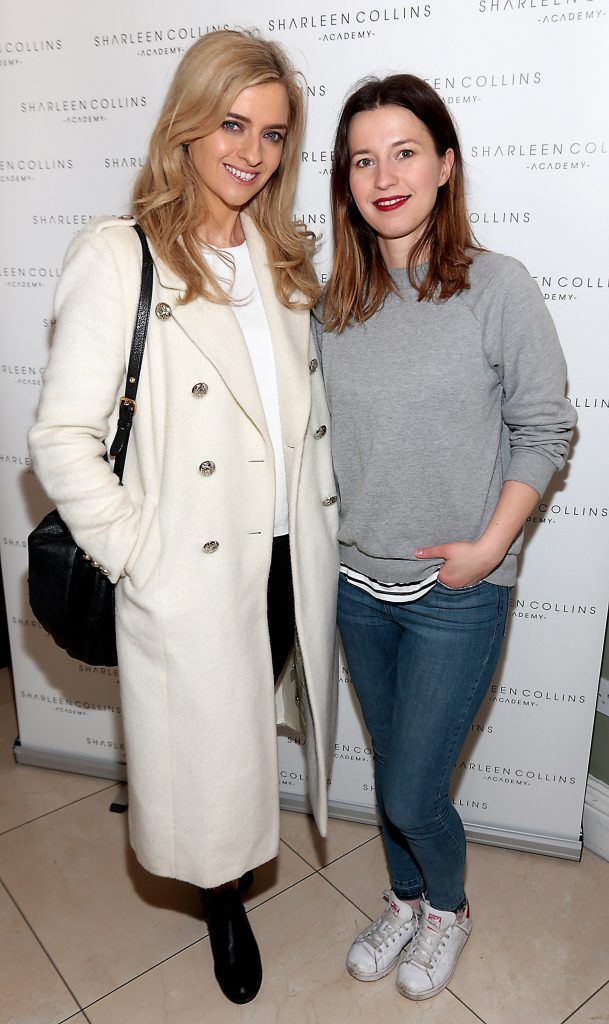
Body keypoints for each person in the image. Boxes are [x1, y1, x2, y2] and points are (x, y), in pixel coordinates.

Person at [28, 29, 339, 1005]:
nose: (251, 151)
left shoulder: (285, 260)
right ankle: (223, 899)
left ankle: (234, 865)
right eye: (232, 123)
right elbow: (61, 438)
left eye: (275, 133)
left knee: (249, 727)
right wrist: (141, 557)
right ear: (188, 125)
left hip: (286, 554)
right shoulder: (120, 256)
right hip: (192, 566)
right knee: (207, 750)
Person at [315, 74, 576, 1001]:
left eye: (404, 151)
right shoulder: (331, 301)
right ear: (344, 181)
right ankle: (406, 896)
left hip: (455, 593)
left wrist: (486, 549)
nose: (383, 174)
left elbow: (544, 430)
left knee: (410, 789)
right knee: (394, 772)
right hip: (354, 584)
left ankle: (447, 912)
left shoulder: (497, 288)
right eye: (361, 158)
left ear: (444, 165)